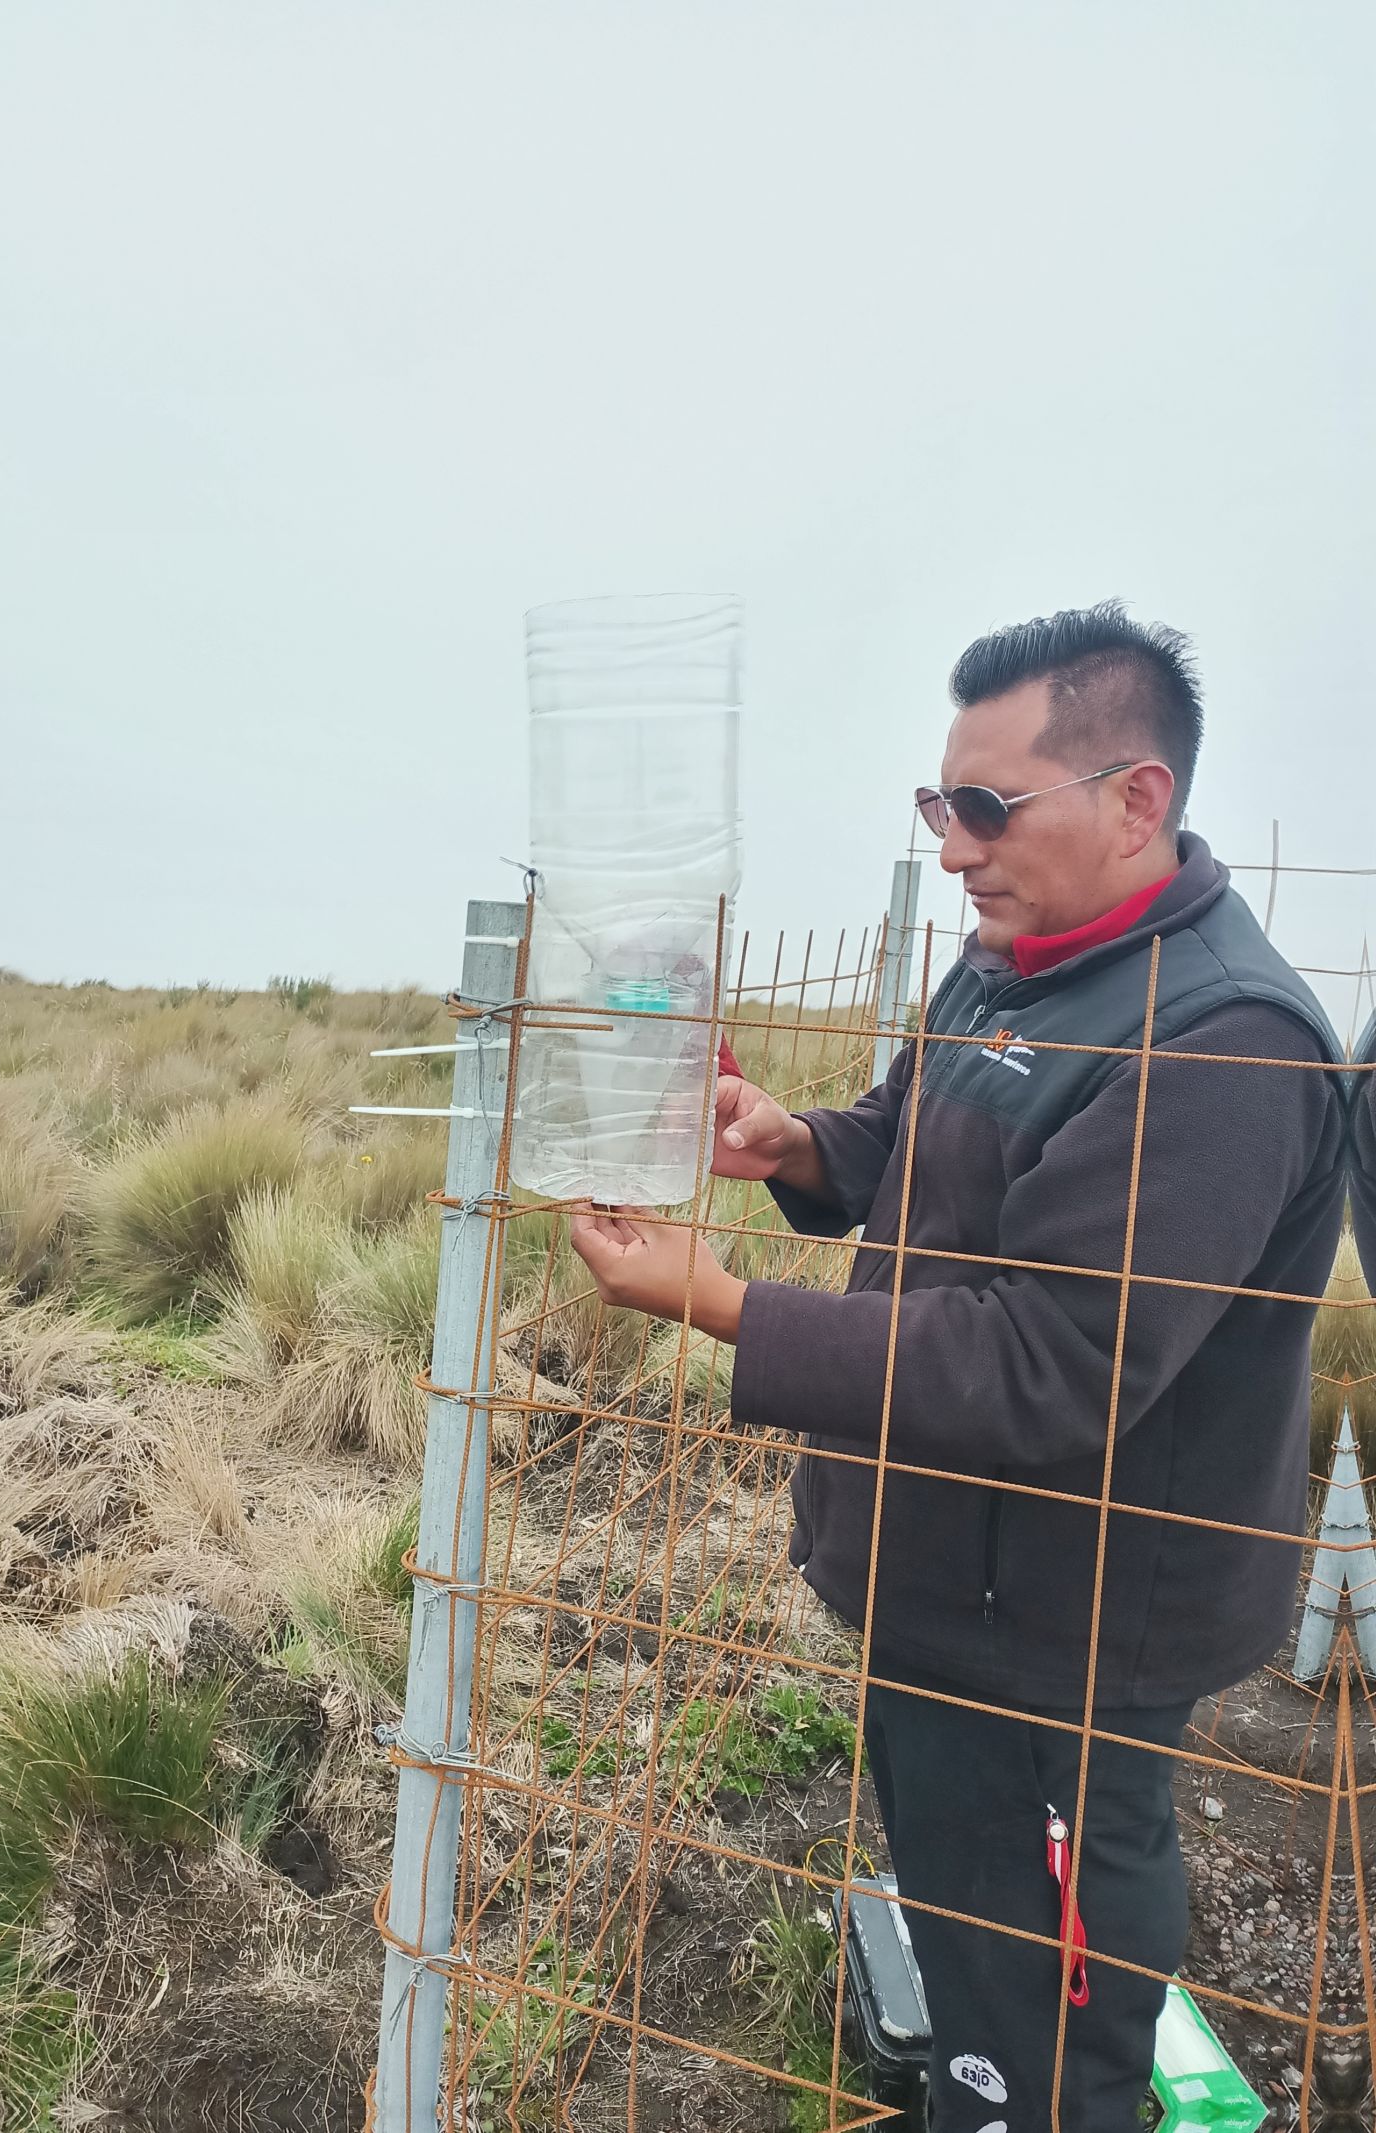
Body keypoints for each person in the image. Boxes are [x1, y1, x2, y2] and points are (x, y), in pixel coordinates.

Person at [568, 602, 1346, 2131]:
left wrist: (723, 1303)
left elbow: (1049, 1360)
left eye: (987, 809)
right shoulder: (1011, 959)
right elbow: (914, 1133)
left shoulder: (1224, 1046)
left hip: (1068, 1640)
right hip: (944, 1597)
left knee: (1042, 2037)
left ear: (1138, 798)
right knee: (967, 1951)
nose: (954, 846)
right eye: (941, 803)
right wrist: (797, 1143)